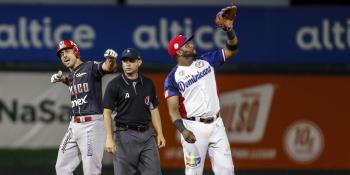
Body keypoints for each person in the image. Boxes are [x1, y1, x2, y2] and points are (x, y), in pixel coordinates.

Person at [163, 5, 239, 175]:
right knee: (193, 172)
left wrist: (229, 31)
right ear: (179, 51)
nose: (190, 44)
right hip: (193, 126)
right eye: (186, 43)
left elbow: (232, 49)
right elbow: (173, 112)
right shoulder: (172, 78)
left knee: (227, 171)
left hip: (217, 124)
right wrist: (183, 130)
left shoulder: (207, 60)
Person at [50, 39, 117, 175]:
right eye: (61, 54)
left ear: (75, 51)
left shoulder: (90, 67)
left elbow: (106, 68)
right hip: (74, 126)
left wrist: (110, 60)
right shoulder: (72, 74)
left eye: (67, 51)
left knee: (91, 172)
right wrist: (64, 80)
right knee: (61, 168)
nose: (64, 56)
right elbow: (78, 83)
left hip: (92, 125)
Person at [103, 48, 166, 175]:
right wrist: (109, 138)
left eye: (131, 61)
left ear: (139, 62)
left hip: (147, 135)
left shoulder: (148, 83)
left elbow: (153, 109)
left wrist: (160, 133)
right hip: (124, 135)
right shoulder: (114, 85)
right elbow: (107, 113)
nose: (127, 64)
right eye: (125, 61)